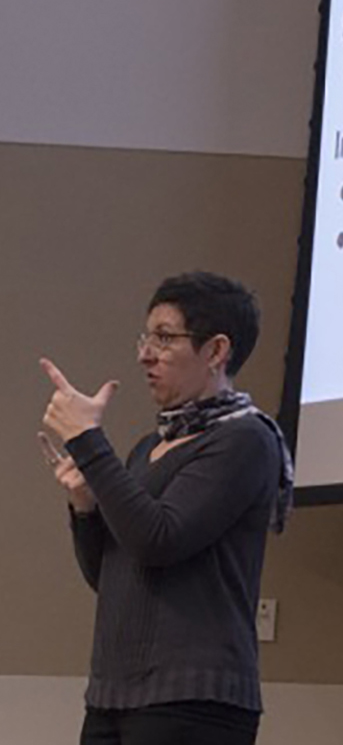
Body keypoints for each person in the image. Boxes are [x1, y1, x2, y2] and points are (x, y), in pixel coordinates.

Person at [38, 271, 294, 745]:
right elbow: (110, 574)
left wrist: (88, 441)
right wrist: (85, 508)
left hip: (194, 703)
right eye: (146, 336)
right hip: (113, 695)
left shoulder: (245, 440)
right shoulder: (147, 448)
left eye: (164, 337)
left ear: (216, 351)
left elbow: (159, 539)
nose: (145, 354)